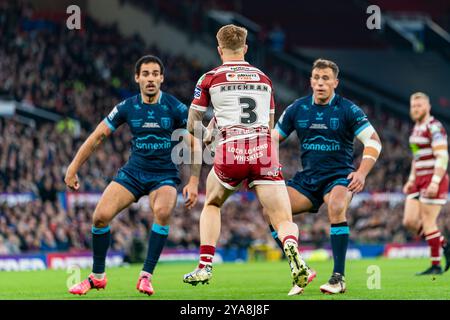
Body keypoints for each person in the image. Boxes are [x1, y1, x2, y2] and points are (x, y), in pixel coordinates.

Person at [182, 24, 315, 295]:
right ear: (245, 48)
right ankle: (292, 249)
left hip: (231, 150)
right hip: (263, 149)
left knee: (213, 202)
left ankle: (205, 265)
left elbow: (192, 125)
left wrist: (202, 149)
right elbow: (267, 123)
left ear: (219, 50)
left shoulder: (210, 78)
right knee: (282, 217)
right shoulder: (264, 79)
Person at [64, 55, 200, 296]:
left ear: (161, 78)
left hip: (164, 175)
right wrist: (73, 167)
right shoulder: (127, 107)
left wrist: (193, 180)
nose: (150, 79)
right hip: (134, 173)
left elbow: (195, 143)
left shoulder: (175, 107)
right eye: (145, 74)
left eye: (155, 74)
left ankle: (146, 275)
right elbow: (98, 136)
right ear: (137, 78)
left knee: (163, 212)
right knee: (100, 217)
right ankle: (98, 277)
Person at [271, 59, 382, 295]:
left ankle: (338, 278)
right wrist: (266, 165)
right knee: (270, 209)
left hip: (339, 177)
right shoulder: (297, 109)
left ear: (335, 83)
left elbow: (374, 141)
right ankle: (300, 268)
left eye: (325, 79)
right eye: (316, 78)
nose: (320, 83)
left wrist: (361, 172)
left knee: (337, 205)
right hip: (307, 180)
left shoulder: (348, 109)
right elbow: (272, 139)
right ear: (311, 81)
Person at [402, 92, 450, 275]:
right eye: (413, 106)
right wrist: (411, 180)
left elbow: (442, 156)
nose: (415, 109)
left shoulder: (434, 127)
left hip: (432, 178)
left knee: (428, 222)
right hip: (419, 179)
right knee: (409, 222)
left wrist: (435, 182)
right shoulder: (416, 129)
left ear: (428, 107)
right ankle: (444, 245)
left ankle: (436, 265)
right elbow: (417, 157)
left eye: (419, 105)